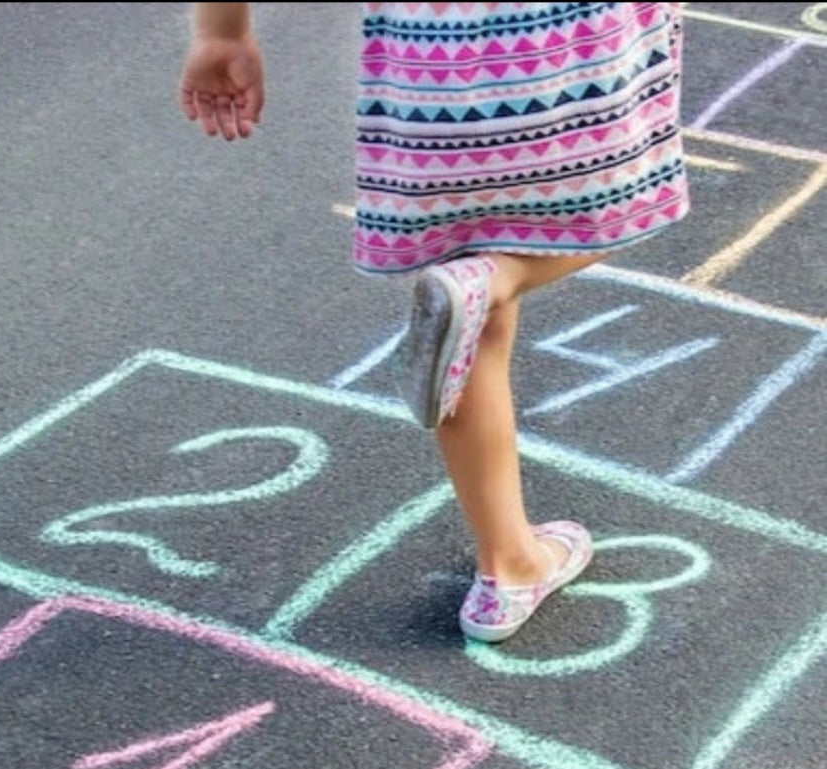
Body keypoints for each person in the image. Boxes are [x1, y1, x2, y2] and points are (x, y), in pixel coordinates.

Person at [177, 2, 690, 642]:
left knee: (466, 314)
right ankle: (497, 277)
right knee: (621, 204)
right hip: (573, 52)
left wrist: (220, 31)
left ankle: (509, 564)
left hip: (432, 78)